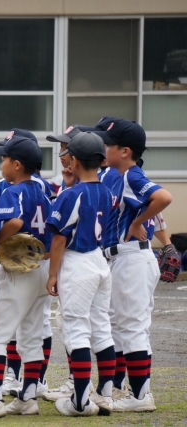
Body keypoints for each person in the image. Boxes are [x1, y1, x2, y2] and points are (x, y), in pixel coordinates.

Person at [97, 117, 172, 412]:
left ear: (125, 151)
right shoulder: (119, 176)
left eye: (109, 145)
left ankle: (141, 397)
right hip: (121, 257)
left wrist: (139, 221)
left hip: (133, 258)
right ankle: (121, 390)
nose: (104, 149)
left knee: (132, 328)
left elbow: (163, 197)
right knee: (119, 327)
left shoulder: (131, 175)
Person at [0, 132, 52, 418]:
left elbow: (16, 221)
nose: (2, 164)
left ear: (17, 165)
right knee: (32, 335)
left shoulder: (13, 191)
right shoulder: (42, 192)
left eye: (5, 159)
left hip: (20, 272)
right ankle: (27, 398)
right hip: (41, 266)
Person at [46, 131, 118, 416]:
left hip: (77, 262)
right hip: (99, 261)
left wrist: (52, 274)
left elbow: (59, 239)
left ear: (74, 160)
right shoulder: (107, 191)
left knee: (76, 330)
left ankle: (80, 401)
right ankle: (105, 395)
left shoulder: (71, 194)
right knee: (101, 328)